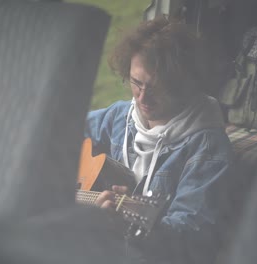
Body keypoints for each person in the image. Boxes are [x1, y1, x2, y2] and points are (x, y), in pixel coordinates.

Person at [84, 16, 234, 264]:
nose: (142, 99)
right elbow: (60, 129)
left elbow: (188, 236)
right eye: (136, 83)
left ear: (185, 83)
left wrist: (128, 225)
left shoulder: (207, 148)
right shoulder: (121, 116)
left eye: (157, 87)